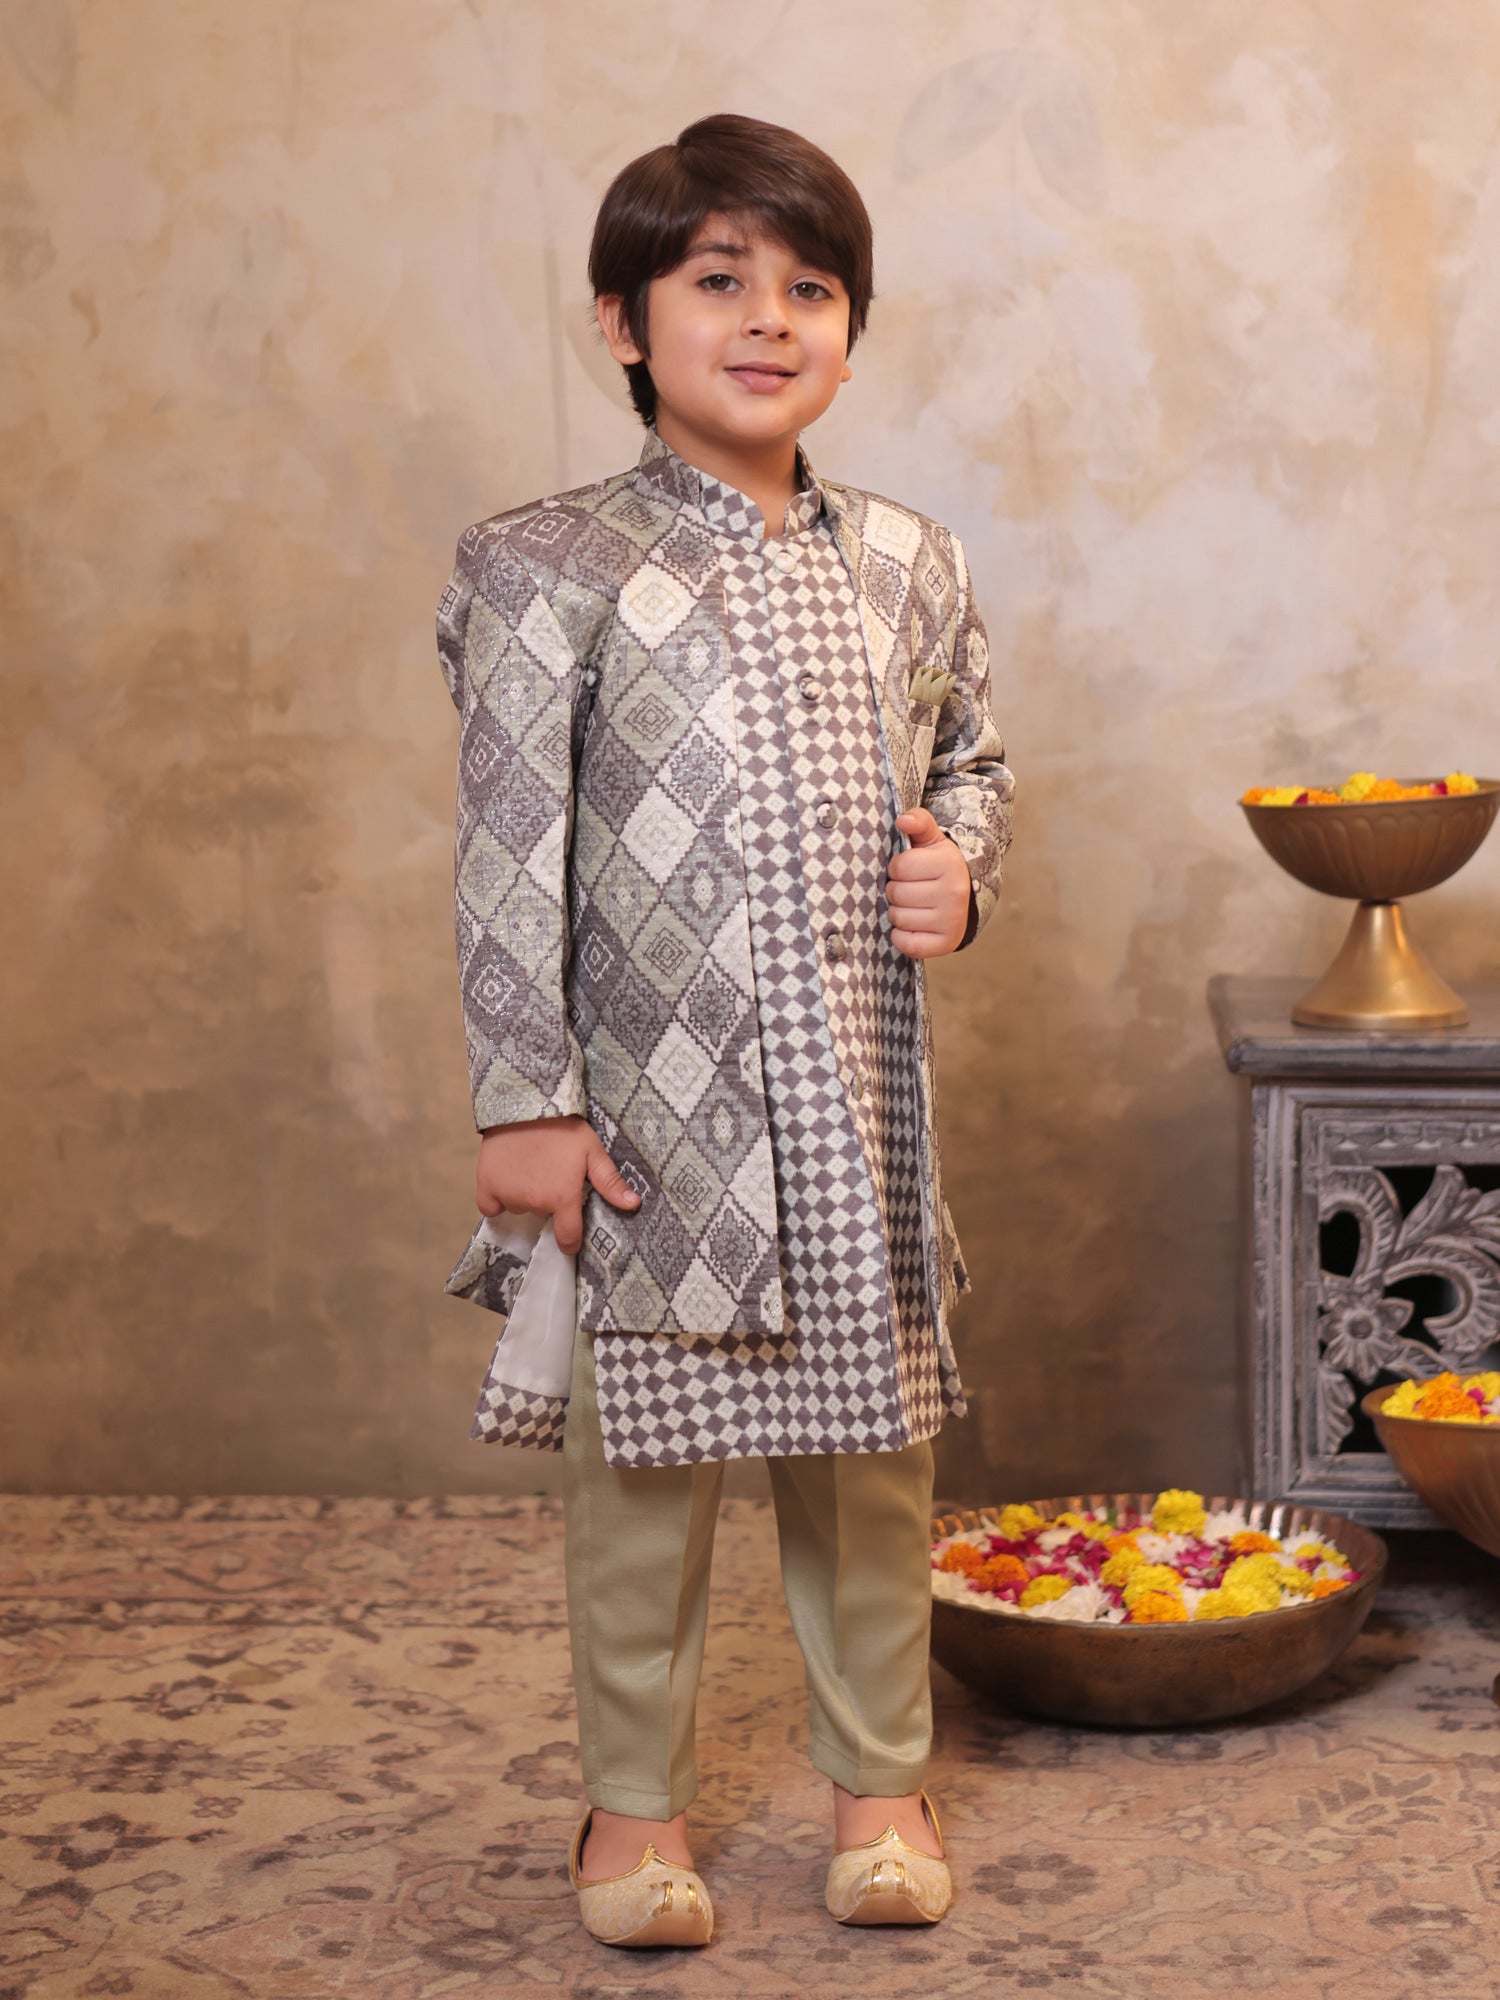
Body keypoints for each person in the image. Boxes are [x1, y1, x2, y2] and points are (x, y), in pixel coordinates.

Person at [436, 112, 1014, 1949]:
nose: (770, 318)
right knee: (646, 1483)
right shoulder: (547, 566)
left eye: (811, 287)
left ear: (849, 329)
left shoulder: (910, 560)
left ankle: (879, 1789)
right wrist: (525, 1100)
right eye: (719, 280)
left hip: (858, 1109)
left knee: (870, 1471)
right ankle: (633, 1814)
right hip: (649, 1120)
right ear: (625, 322)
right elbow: (508, 847)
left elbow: (973, 764)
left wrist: (962, 873)